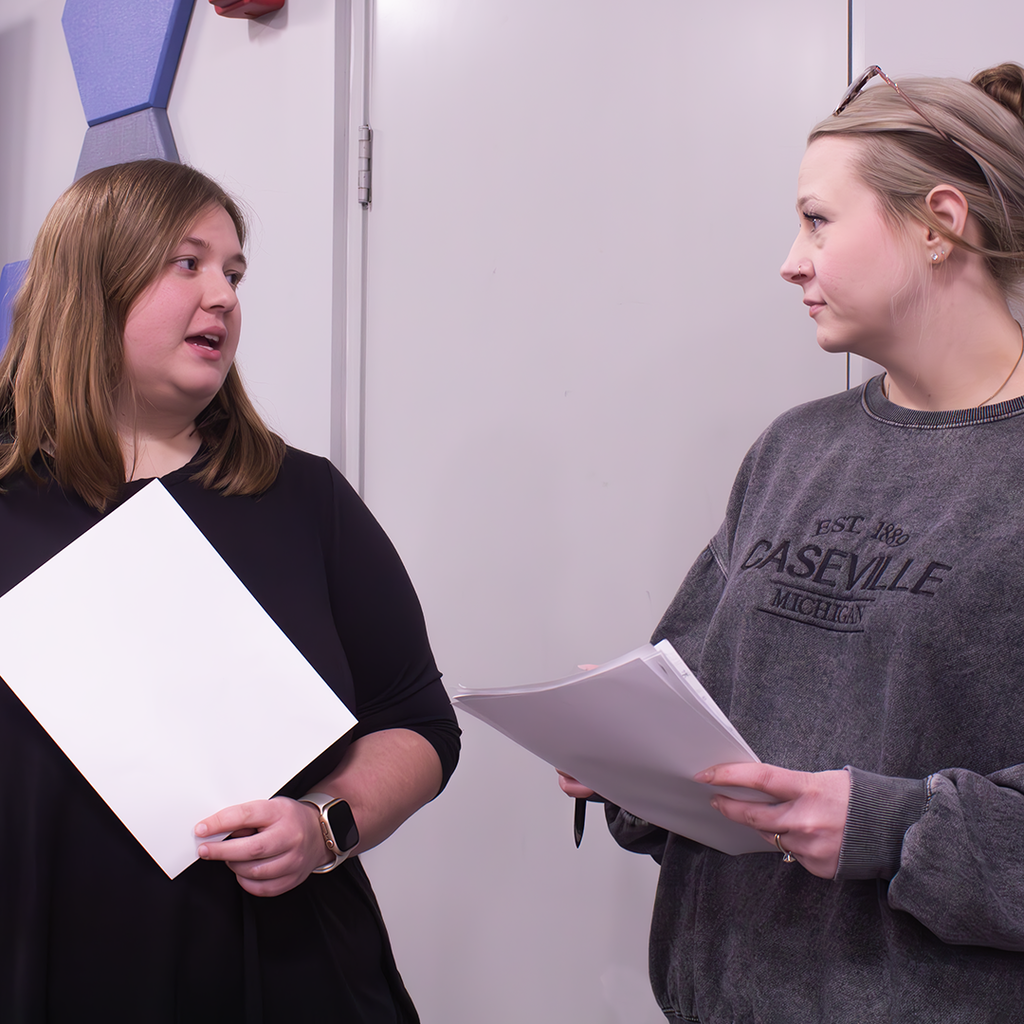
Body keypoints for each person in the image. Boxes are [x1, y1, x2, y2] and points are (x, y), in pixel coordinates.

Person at [560, 63, 1024, 1021]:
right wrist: (628, 755)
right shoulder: (794, 449)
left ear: (939, 222)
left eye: (818, 221)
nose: (791, 261)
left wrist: (895, 827)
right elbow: (704, 709)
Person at [0, 159, 460, 1023]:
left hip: (282, 973)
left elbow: (419, 723)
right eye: (188, 263)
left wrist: (322, 825)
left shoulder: (304, 499)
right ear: (91, 283)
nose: (223, 296)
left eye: (234, 274)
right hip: (45, 967)